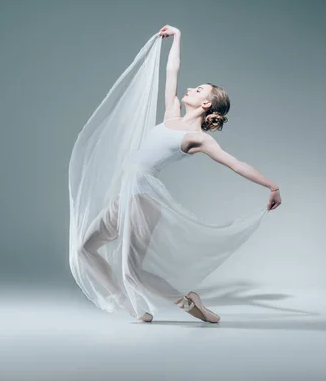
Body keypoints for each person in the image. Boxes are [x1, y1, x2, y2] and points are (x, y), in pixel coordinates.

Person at [68, 25, 281, 324]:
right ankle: (129, 304)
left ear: (206, 104)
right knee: (85, 249)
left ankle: (186, 302)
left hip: (143, 200)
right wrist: (177, 38)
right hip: (125, 196)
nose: (190, 89)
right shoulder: (171, 114)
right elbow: (172, 72)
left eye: (199, 90)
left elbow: (235, 163)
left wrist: (272, 185)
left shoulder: (199, 138)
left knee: (133, 270)